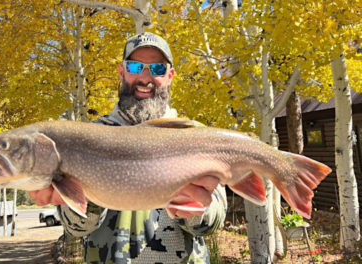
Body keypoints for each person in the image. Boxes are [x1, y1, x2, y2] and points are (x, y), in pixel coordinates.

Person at [29, 32, 227, 263]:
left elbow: (212, 225)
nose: (145, 77)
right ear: (122, 72)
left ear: (170, 76)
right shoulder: (85, 138)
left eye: (157, 69)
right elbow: (75, 228)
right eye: (135, 66)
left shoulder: (195, 136)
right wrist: (85, 193)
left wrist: (195, 209)